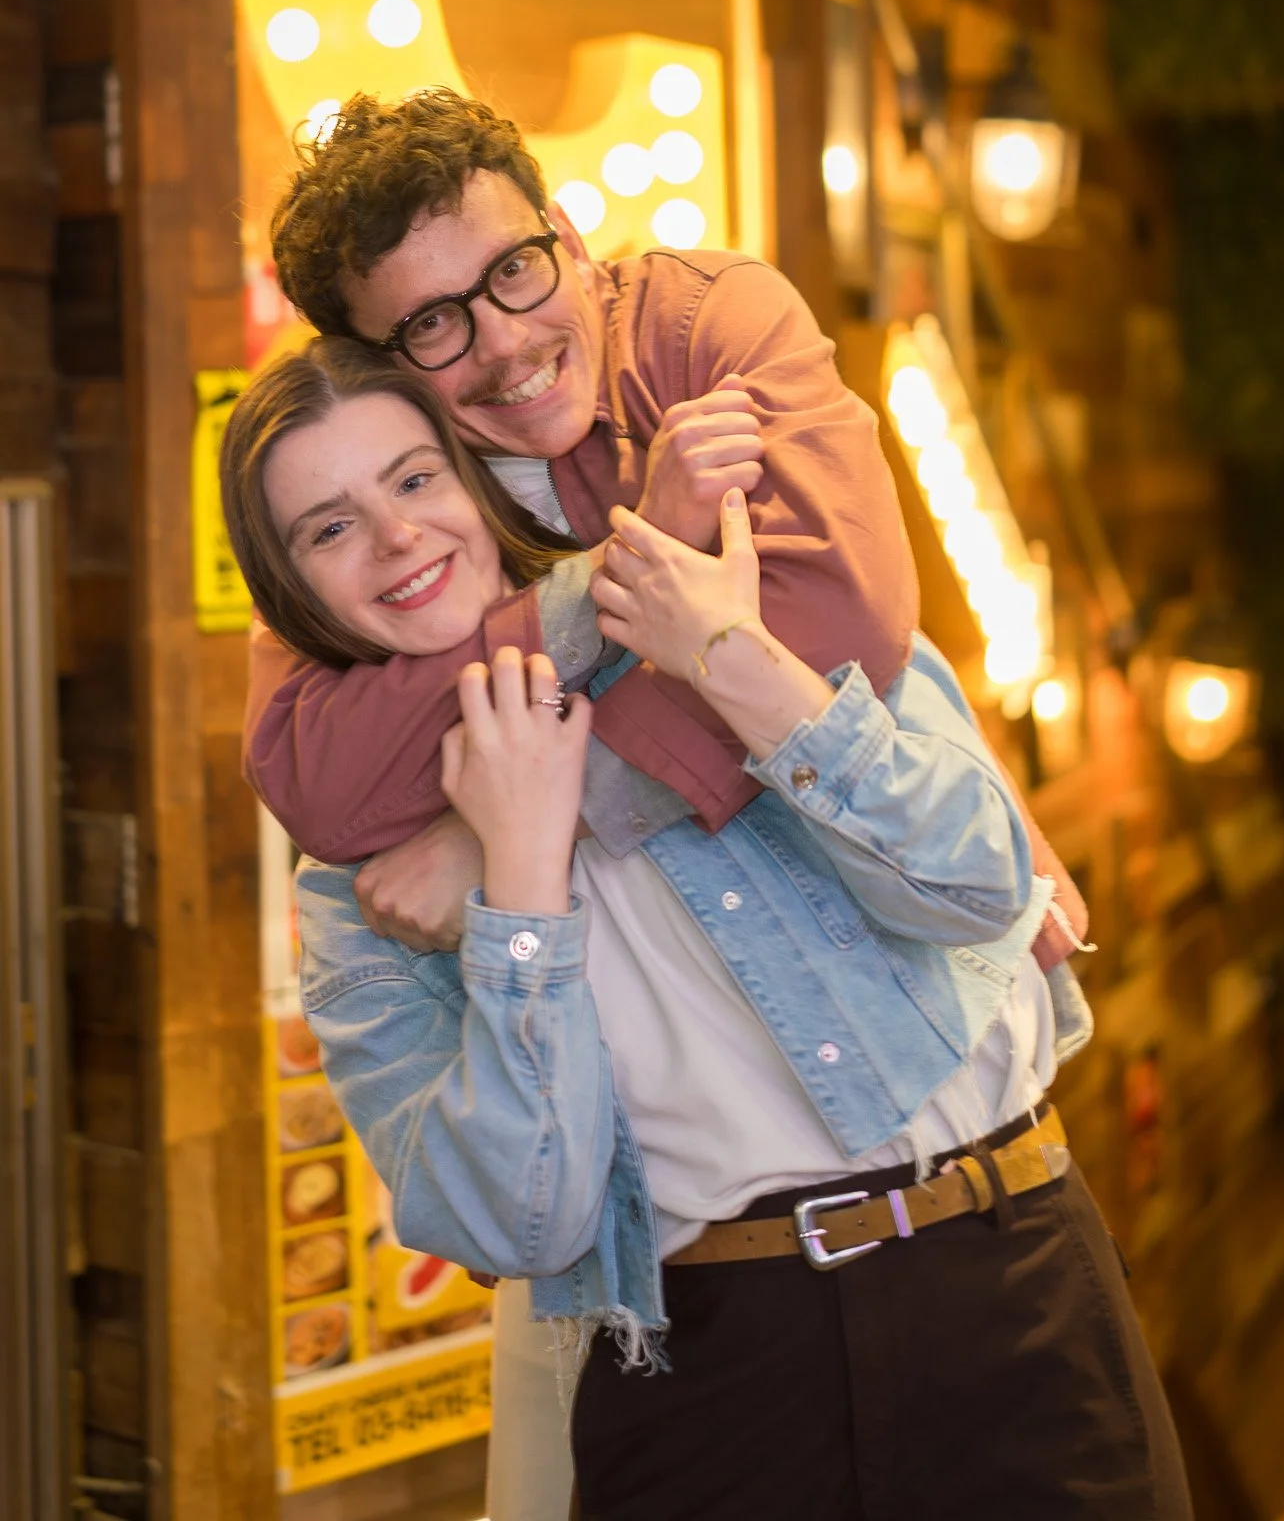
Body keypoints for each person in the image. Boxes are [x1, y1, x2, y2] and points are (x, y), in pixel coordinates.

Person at [221, 337, 1192, 1521]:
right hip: (713, 1368)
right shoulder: (360, 894)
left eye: (415, 478)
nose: (396, 538)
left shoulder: (739, 591)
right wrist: (518, 884)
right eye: (327, 528)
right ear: (292, 593)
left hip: (1010, 1270)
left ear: (476, 480)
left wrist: (723, 675)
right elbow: (520, 1221)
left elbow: (989, 885)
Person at [246, 87, 1091, 976]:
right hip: (692, 1068)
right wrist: (619, 570)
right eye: (431, 325)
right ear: (376, 363)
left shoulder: (705, 325)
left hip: (934, 985)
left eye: (514, 270)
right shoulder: (379, 493)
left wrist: (514, 822)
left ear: (567, 239)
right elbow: (323, 784)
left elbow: (840, 619)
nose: (503, 343)